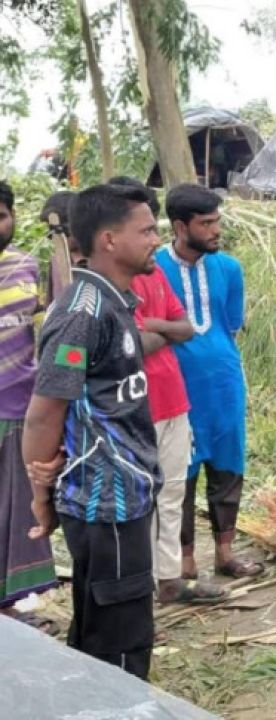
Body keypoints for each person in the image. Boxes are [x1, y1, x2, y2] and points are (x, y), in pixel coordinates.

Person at [22, 183, 162, 679]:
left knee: (100, 628)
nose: (156, 239)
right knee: (120, 643)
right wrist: (40, 496)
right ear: (108, 240)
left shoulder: (113, 300)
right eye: (146, 230)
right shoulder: (81, 315)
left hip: (123, 496)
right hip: (107, 502)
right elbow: (43, 413)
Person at [105, 177, 226, 605]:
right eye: (144, 230)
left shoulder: (154, 274)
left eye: (151, 228)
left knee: (172, 493)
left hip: (175, 400)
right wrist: (162, 332)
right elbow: (130, 345)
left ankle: (169, 579)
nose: (152, 240)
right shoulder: (107, 287)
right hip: (137, 406)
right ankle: (139, 584)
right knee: (139, 500)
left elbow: (186, 328)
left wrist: (151, 327)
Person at [155, 185, 263, 580]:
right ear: (180, 227)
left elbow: (230, 325)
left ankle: (225, 554)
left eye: (217, 221)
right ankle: (184, 561)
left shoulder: (229, 269)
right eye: (206, 223)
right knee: (180, 469)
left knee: (228, 464)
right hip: (177, 388)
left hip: (224, 382)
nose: (216, 230)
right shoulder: (153, 269)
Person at [0, 180, 58, 633]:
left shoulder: (26, 267)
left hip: (20, 407)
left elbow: (46, 331)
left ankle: (7, 606)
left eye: (1, 216)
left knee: (16, 512)